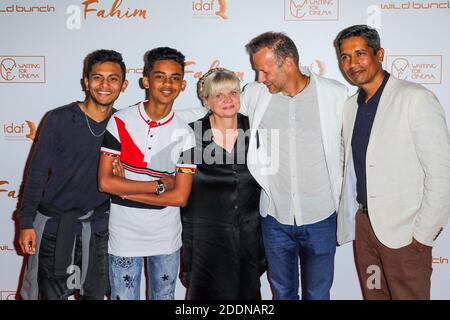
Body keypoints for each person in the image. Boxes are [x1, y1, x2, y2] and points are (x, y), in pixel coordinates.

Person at [335, 25, 450, 300]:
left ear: (379, 54)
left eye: (360, 53)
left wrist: (423, 234)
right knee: (374, 296)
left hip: (405, 232)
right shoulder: (350, 107)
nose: (352, 63)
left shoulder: (415, 98)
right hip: (365, 228)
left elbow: (441, 172)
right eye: (345, 57)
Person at [242, 32, 347, 300]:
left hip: (322, 216)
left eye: (264, 71)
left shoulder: (335, 94)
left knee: (318, 293)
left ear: (287, 63)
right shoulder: (255, 95)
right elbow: (216, 109)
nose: (259, 79)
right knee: (282, 293)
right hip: (275, 216)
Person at [18, 49, 129, 300]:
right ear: (86, 82)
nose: (105, 85)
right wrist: (26, 223)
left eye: (113, 78)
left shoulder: (124, 123)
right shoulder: (58, 119)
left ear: (123, 84)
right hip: (55, 228)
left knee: (96, 296)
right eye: (98, 77)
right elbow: (36, 174)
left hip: (99, 229)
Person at [97, 47, 196, 300]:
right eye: (160, 76)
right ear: (146, 81)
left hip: (166, 237)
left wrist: (126, 191)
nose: (167, 84)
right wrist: (159, 185)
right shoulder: (120, 121)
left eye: (175, 78)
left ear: (183, 85)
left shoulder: (186, 134)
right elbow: (106, 183)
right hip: (123, 234)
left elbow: (180, 198)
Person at [180, 68, 266, 300]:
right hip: (205, 239)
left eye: (233, 93)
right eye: (218, 95)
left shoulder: (257, 130)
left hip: (248, 235)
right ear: (206, 100)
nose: (228, 100)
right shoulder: (191, 134)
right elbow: (176, 184)